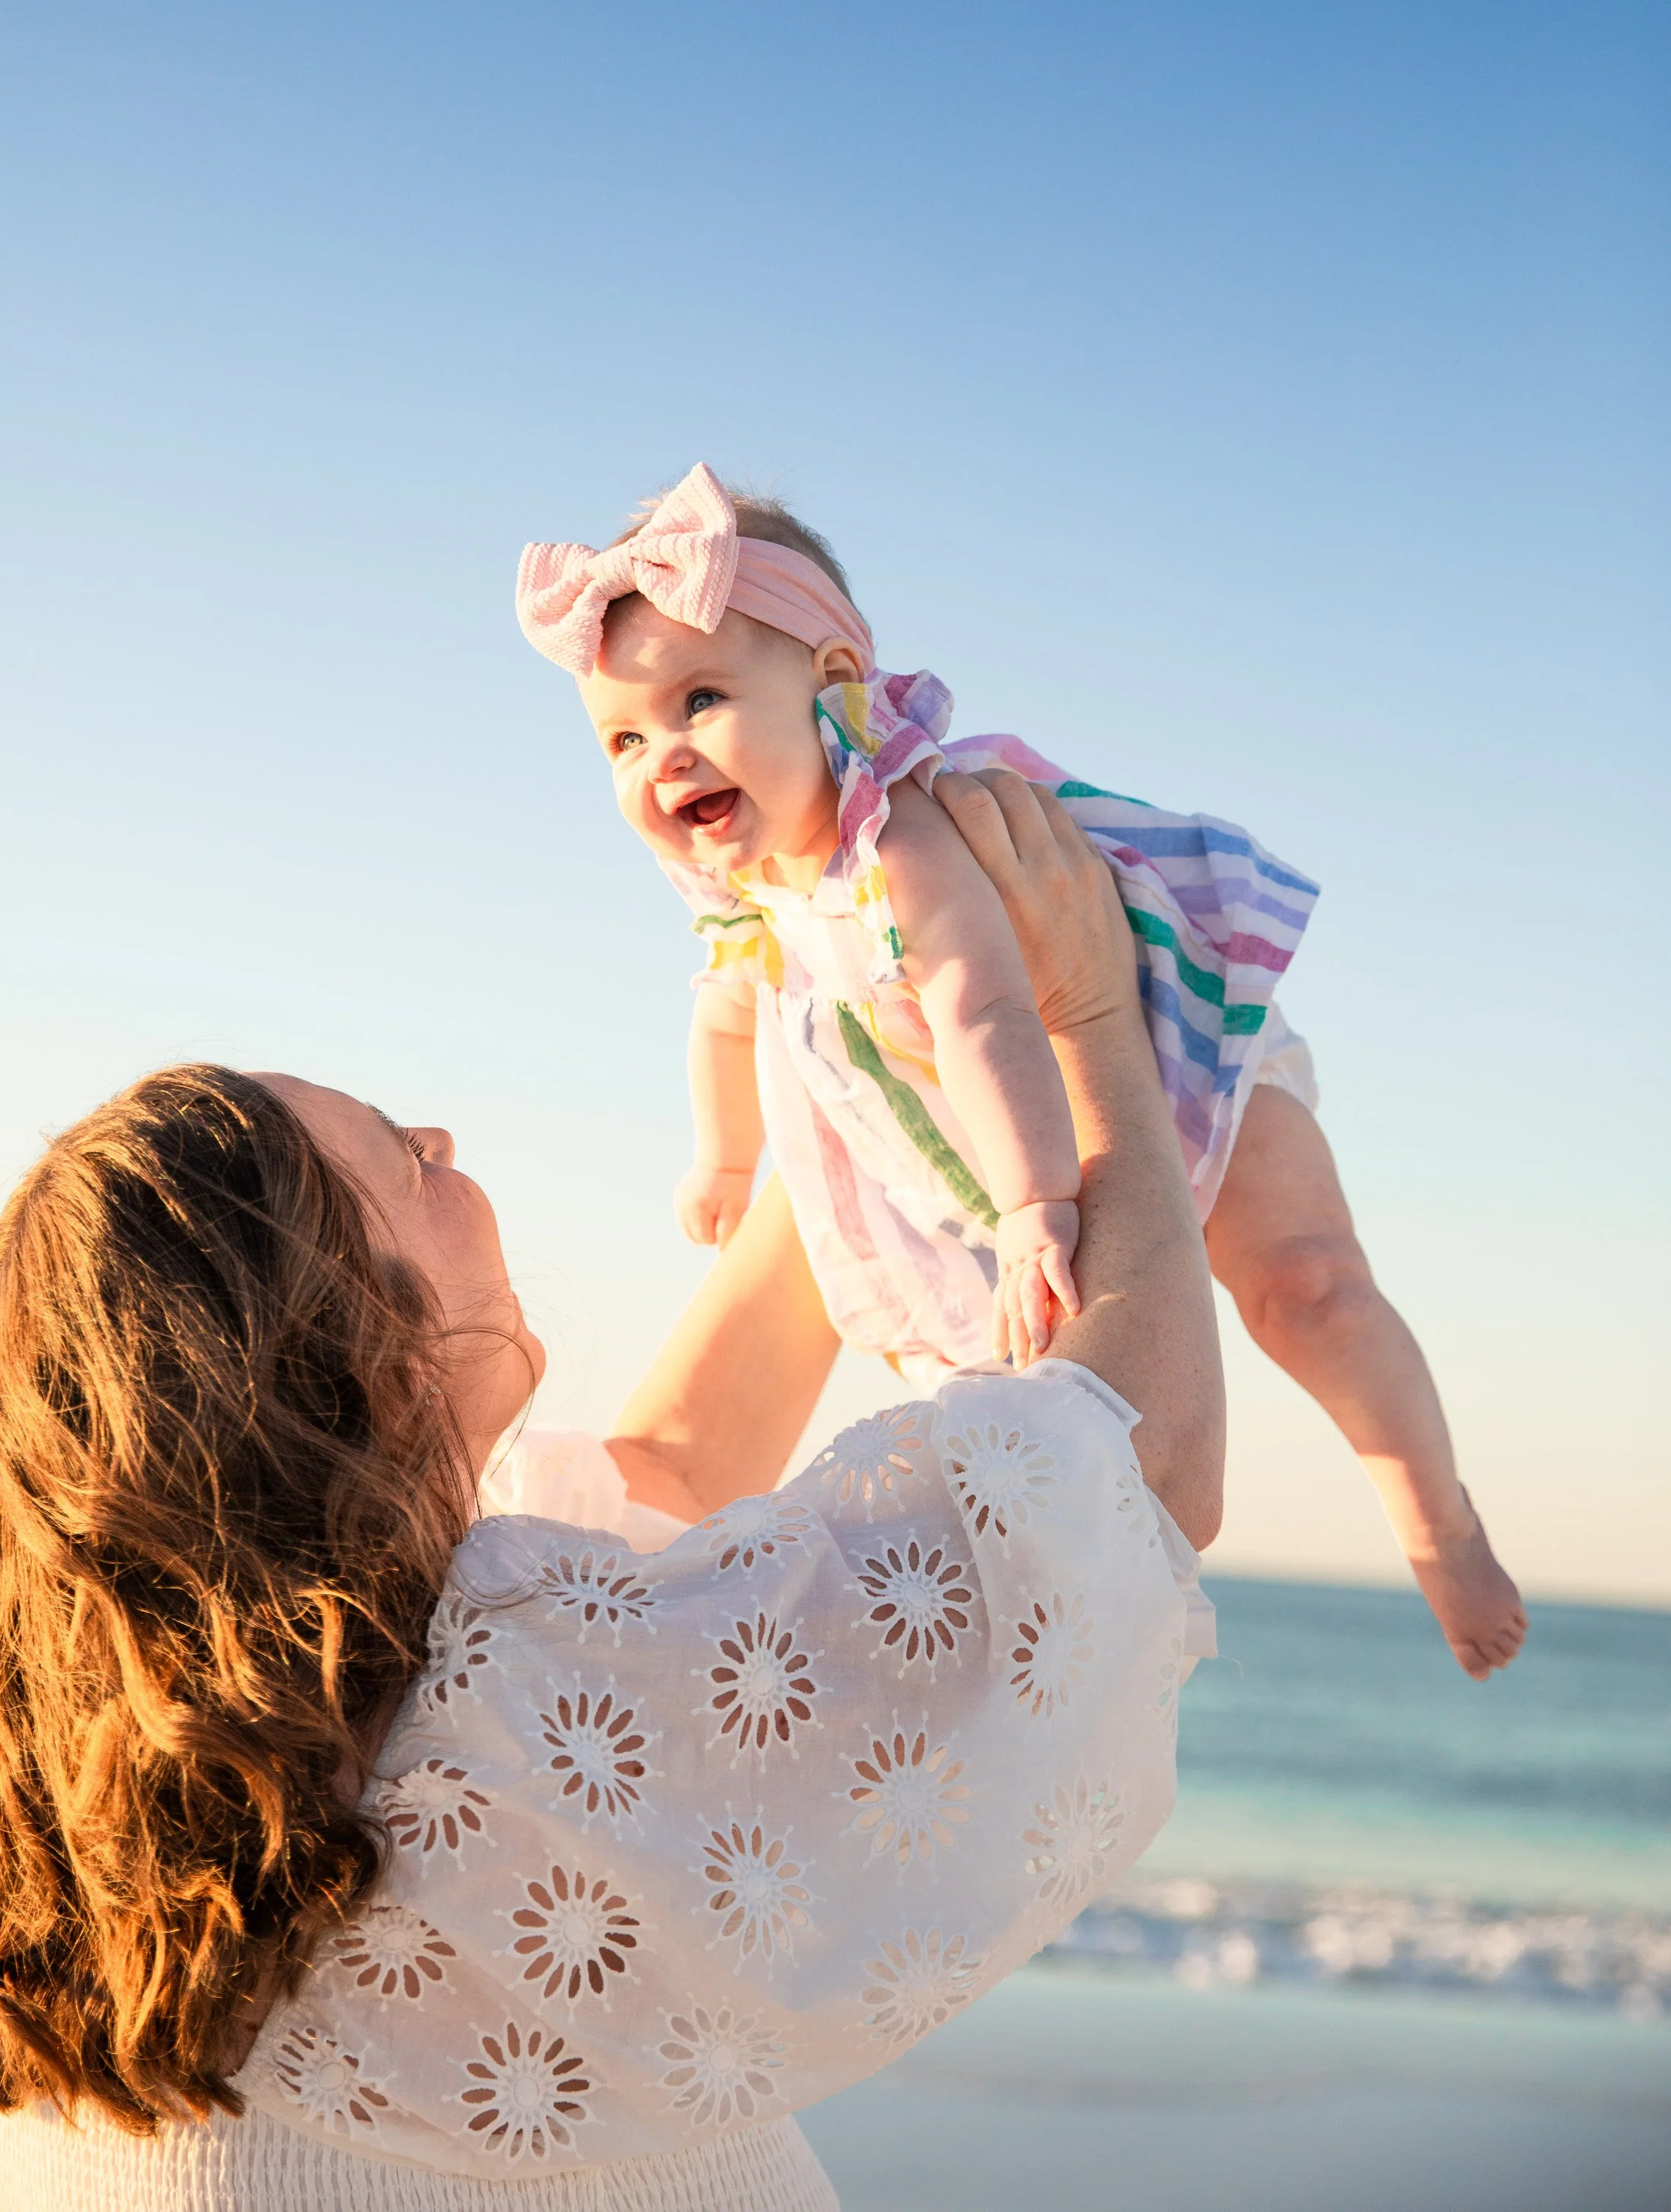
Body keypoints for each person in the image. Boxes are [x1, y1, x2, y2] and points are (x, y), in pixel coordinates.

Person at [0, 780, 1219, 2210]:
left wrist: (836, 1086)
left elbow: (673, 1472)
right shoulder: (485, 1763)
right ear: (353, 1350)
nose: (447, 1144)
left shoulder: (69, 1832)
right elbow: (1130, 1475)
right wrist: (1088, 1023)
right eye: (406, 1157)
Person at [518, 462, 1525, 1679]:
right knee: (1043, 1396)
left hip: (1170, 1046)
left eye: (702, 699)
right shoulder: (747, 892)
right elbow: (729, 1012)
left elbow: (985, 1008)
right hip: (994, 1136)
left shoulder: (905, 834)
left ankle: (1435, 1517)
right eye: (624, 737)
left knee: (1308, 1283)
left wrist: (1038, 1203)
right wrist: (724, 1159)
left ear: (834, 686)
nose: (663, 756)